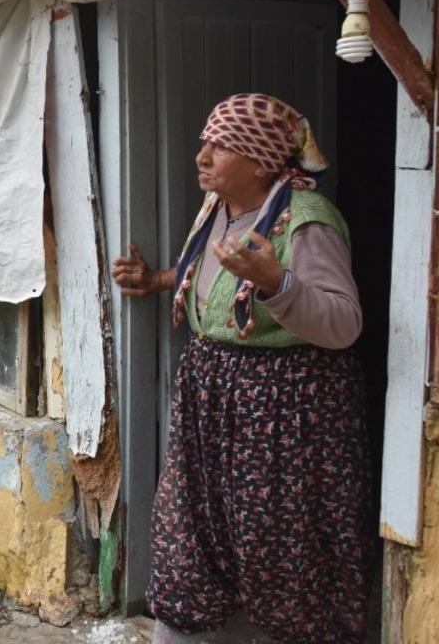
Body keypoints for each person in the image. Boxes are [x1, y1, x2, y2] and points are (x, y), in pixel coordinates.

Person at [112, 93, 372, 644]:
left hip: (282, 409)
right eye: (206, 142)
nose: (202, 156)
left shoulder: (305, 221)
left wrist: (277, 283)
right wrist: (159, 279)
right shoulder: (221, 207)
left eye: (221, 145)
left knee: (277, 541)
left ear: (259, 161)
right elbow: (215, 274)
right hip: (216, 398)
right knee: (196, 530)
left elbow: (344, 324)